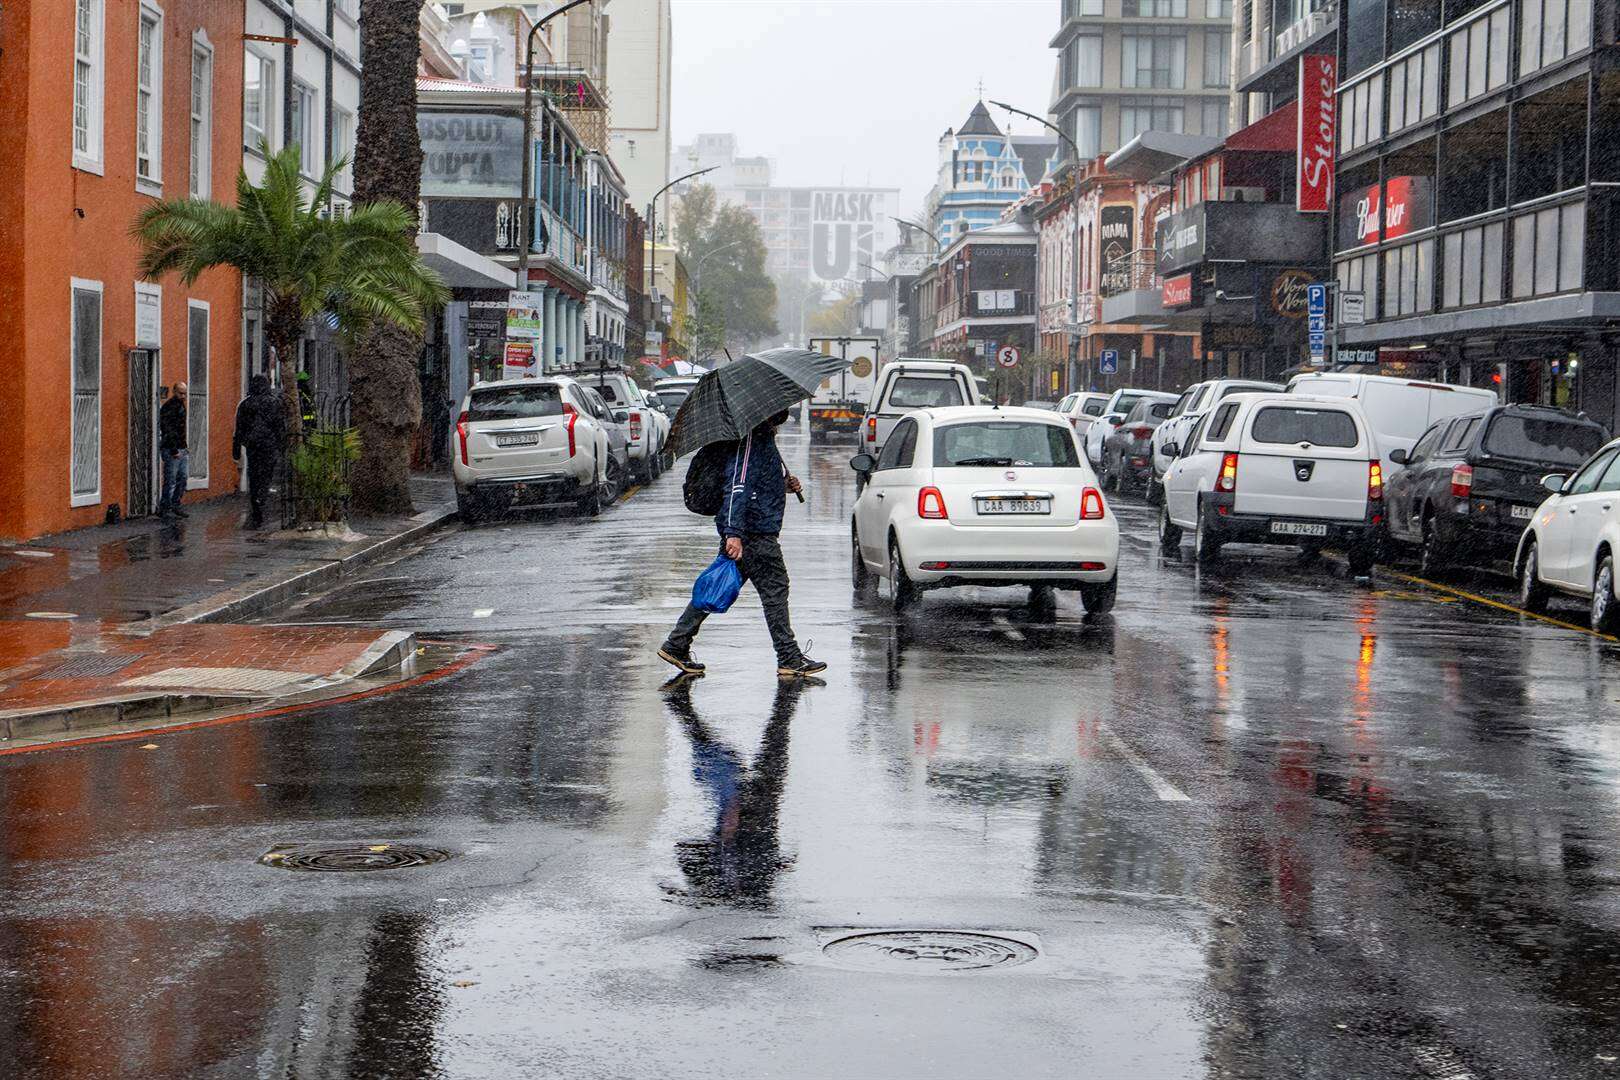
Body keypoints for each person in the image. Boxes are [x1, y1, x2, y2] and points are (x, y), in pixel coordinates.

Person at [659, 410, 827, 678]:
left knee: (717, 586)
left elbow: (755, 484)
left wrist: (783, 484)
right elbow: (738, 484)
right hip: (752, 532)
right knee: (775, 591)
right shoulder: (751, 440)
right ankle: (789, 657)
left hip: (750, 530)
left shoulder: (761, 438)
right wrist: (733, 533)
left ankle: (677, 643)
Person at [233, 374, 285, 529]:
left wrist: (236, 450)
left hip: (252, 445)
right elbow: (279, 426)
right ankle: (261, 496)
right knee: (266, 472)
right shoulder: (274, 403)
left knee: (254, 473)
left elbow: (239, 429)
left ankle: (256, 502)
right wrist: (282, 445)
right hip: (268, 444)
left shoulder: (245, 404)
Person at [157, 381, 189, 518]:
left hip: (181, 447)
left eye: (185, 393)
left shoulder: (180, 406)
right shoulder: (169, 407)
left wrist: (184, 446)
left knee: (182, 477)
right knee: (171, 479)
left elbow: (178, 429)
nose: (183, 396)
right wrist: (174, 449)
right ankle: (165, 507)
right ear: (174, 392)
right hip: (172, 449)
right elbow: (168, 429)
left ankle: (175, 504)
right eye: (181, 393)